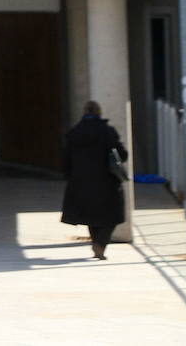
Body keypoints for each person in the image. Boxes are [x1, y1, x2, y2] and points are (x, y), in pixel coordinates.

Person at [61, 100, 128, 260]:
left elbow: (65, 159)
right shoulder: (107, 131)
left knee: (90, 215)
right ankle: (100, 244)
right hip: (106, 180)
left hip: (81, 182)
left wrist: (69, 176)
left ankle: (97, 243)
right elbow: (122, 155)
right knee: (112, 214)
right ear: (99, 113)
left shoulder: (74, 133)